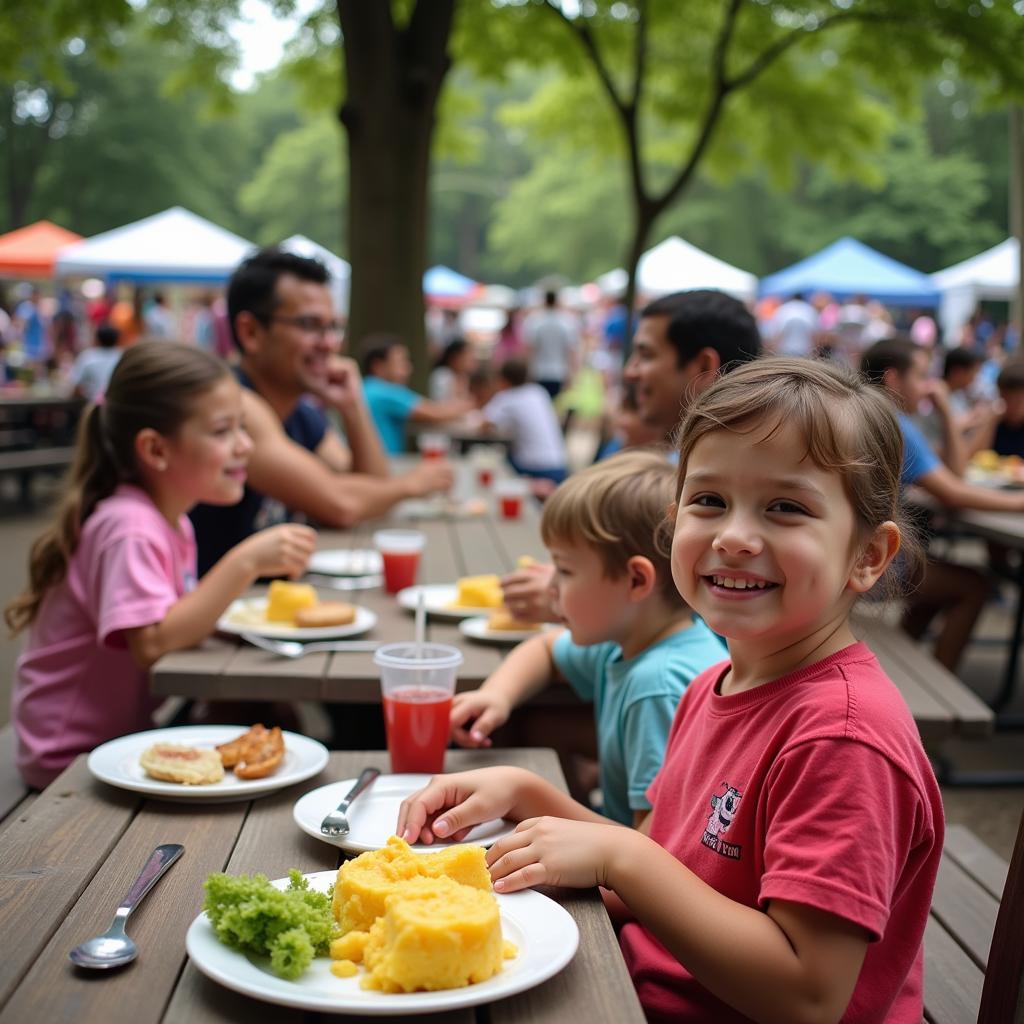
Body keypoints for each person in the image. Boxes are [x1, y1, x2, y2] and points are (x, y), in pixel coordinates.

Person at [397, 357, 943, 1024]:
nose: (735, 537)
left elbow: (808, 995)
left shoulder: (843, 739)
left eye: (787, 508)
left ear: (867, 556)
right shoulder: (713, 684)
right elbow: (665, 874)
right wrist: (526, 791)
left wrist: (619, 856)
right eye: (709, 500)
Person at [5, 343, 316, 789]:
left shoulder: (169, 522)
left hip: (118, 738)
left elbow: (175, 619)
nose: (245, 446)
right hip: (68, 755)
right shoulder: (129, 527)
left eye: (242, 428)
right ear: (155, 449)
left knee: (268, 715)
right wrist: (244, 561)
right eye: (223, 431)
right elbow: (151, 643)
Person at [449, 451, 726, 825]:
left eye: (564, 570)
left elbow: (653, 849)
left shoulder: (656, 687)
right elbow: (545, 648)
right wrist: (496, 695)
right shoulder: (629, 642)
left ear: (636, 581)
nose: (549, 587)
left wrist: (532, 800)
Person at [188, 249, 453, 575]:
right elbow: (341, 504)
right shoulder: (234, 405)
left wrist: (352, 406)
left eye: (333, 327)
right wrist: (414, 484)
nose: (328, 343)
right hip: (213, 615)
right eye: (310, 325)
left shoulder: (301, 412)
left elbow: (370, 493)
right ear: (250, 333)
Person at [504, 289, 760, 622]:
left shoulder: (704, 478)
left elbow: (677, 619)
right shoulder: (683, 461)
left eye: (646, 355)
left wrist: (563, 599)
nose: (630, 371)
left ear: (703, 366)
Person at [860, 337, 1024, 670]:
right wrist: (1020, 502)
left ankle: (908, 668)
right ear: (894, 379)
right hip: (873, 564)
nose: (930, 386)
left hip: (852, 555)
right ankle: (942, 677)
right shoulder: (897, 424)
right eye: (922, 376)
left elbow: (950, 471)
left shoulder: (864, 414)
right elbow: (955, 490)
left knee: (938, 579)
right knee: (973, 585)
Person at [360, 334, 474, 455]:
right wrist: (466, 405)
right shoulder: (385, 391)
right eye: (400, 362)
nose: (408, 368)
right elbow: (435, 413)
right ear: (378, 366)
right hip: (387, 462)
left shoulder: (366, 388)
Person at [481, 359, 567, 485]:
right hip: (559, 465)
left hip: (532, 469)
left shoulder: (506, 398)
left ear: (503, 379)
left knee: (496, 462)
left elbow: (484, 426)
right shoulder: (539, 392)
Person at [522, 290, 580, 398]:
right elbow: (570, 350)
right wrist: (573, 373)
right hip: (558, 372)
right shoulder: (566, 322)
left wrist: (527, 371)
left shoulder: (535, 321)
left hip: (539, 371)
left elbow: (529, 349)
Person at [67, 324, 123, 402]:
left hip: (94, 406)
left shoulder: (88, 357)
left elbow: (76, 388)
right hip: (118, 404)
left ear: (97, 339)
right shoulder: (122, 356)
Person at [764, 292, 818, 357]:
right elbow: (815, 334)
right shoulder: (810, 310)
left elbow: (776, 333)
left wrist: (772, 352)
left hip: (785, 350)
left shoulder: (782, 309)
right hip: (805, 350)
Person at [992, 360, 1024, 457]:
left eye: (1018, 398)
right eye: (1007, 397)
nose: (1012, 403)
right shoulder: (996, 421)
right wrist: (991, 422)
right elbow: (973, 454)